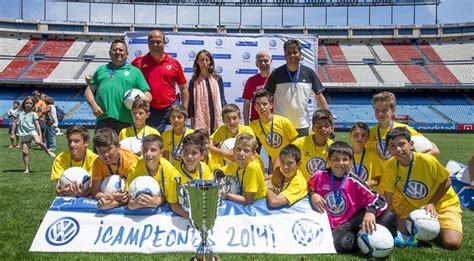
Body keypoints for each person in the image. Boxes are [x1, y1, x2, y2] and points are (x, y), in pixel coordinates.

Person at [382, 127, 463, 249]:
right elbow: (388, 195)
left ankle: (438, 224)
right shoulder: (390, 166)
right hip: (414, 206)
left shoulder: (427, 160)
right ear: (388, 148)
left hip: (442, 204)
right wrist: (382, 216)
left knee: (452, 243)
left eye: (402, 144)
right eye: (392, 146)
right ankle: (427, 225)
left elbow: (447, 181)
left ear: (411, 144)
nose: (398, 149)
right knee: (400, 232)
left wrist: (431, 203)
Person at [308, 141, 396, 253]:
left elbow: (379, 199)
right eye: (336, 159)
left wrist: (371, 212)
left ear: (350, 161)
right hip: (333, 226)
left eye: (345, 159)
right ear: (329, 160)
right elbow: (304, 187)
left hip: (351, 221)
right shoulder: (319, 176)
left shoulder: (353, 180)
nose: (340, 163)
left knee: (388, 216)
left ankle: (384, 239)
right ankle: (364, 241)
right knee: (341, 244)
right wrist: (312, 194)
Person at [84, 39, 152, 135]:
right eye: (114, 50)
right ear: (110, 53)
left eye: (121, 50)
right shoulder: (101, 70)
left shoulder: (135, 72)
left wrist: (139, 99)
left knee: (124, 150)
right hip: (103, 120)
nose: (118, 52)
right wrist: (94, 106)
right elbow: (88, 91)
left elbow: (148, 95)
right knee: (100, 149)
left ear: (127, 54)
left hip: (126, 121)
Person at [265, 39, 329, 136]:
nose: (292, 55)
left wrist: (328, 118)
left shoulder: (309, 73)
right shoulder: (276, 73)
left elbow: (319, 97)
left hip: (302, 125)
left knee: (303, 151)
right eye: (289, 53)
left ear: (300, 54)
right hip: (280, 125)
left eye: (295, 52)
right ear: (284, 55)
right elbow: (267, 98)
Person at [131, 30, 189, 133]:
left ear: (164, 42)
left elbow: (183, 88)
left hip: (172, 107)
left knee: (175, 139)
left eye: (158, 42)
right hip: (151, 110)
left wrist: (184, 109)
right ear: (148, 43)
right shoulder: (138, 62)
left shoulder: (174, 63)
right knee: (154, 141)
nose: (155, 44)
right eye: (152, 42)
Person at [367, 91, 439, 161]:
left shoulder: (404, 129)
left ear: (393, 110)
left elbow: (433, 151)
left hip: (399, 173)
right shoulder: (369, 133)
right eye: (377, 110)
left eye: (384, 110)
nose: (380, 113)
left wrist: (414, 160)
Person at [126, 135, 183, 216]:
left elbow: (173, 204)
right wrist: (131, 205)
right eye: (145, 150)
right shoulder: (134, 169)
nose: (148, 154)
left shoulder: (171, 174)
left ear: (161, 153)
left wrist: (159, 201)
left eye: (153, 150)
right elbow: (129, 198)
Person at [249, 89, 298, 178]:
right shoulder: (253, 126)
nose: (262, 107)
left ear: (271, 105)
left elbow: (297, 146)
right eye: (258, 104)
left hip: (289, 160)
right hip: (274, 160)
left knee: (272, 180)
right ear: (255, 107)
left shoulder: (284, 122)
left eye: (264, 104)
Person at [91, 127, 139, 210]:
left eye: (109, 149)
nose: (105, 154)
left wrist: (113, 204)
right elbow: (95, 191)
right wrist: (110, 197)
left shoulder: (131, 163)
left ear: (118, 146)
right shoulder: (97, 162)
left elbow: (133, 195)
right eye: (100, 151)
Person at [11, 96, 55, 173]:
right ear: (24, 103)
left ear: (33, 105)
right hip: (23, 133)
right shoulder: (19, 112)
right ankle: (27, 168)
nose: (28, 104)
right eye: (27, 103)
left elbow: (37, 125)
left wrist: (40, 135)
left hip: (32, 131)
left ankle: (48, 152)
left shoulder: (34, 114)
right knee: (25, 152)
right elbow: (14, 122)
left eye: (30, 103)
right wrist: (12, 133)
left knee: (38, 142)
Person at [50, 125, 98, 197]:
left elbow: (92, 187)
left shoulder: (95, 160)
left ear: (86, 143)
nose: (72, 144)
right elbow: (58, 188)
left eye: (76, 141)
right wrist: (62, 191)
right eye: (70, 141)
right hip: (67, 196)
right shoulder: (60, 159)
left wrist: (83, 194)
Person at [220, 133, 267, 205]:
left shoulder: (252, 167)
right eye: (238, 149)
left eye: (246, 151)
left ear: (253, 154)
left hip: (256, 207)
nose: (241, 153)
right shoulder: (235, 165)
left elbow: (248, 201)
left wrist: (226, 195)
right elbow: (217, 172)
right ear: (234, 151)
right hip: (243, 203)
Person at [188, 49, 227, 134]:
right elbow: (191, 103)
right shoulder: (193, 81)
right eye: (202, 60)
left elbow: (222, 99)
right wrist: (192, 121)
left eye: (207, 60)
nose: (204, 62)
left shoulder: (218, 79)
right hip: (200, 116)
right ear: (197, 62)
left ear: (210, 62)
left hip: (215, 114)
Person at [292, 109, 334, 180]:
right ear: (313, 128)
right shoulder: (299, 143)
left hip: (323, 186)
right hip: (302, 185)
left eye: (326, 126)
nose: (323, 129)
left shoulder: (333, 147)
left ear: (332, 128)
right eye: (319, 126)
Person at [243, 49, 272, 125]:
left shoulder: (276, 79)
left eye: (266, 60)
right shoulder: (251, 81)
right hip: (255, 122)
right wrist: (246, 124)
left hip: (273, 122)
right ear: (256, 64)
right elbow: (246, 104)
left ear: (271, 61)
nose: (263, 63)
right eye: (260, 61)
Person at [349, 122, 382, 188]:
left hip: (366, 193)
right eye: (356, 134)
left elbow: (377, 180)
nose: (359, 138)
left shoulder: (373, 155)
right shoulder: (344, 154)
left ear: (368, 138)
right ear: (350, 136)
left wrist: (363, 185)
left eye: (363, 135)